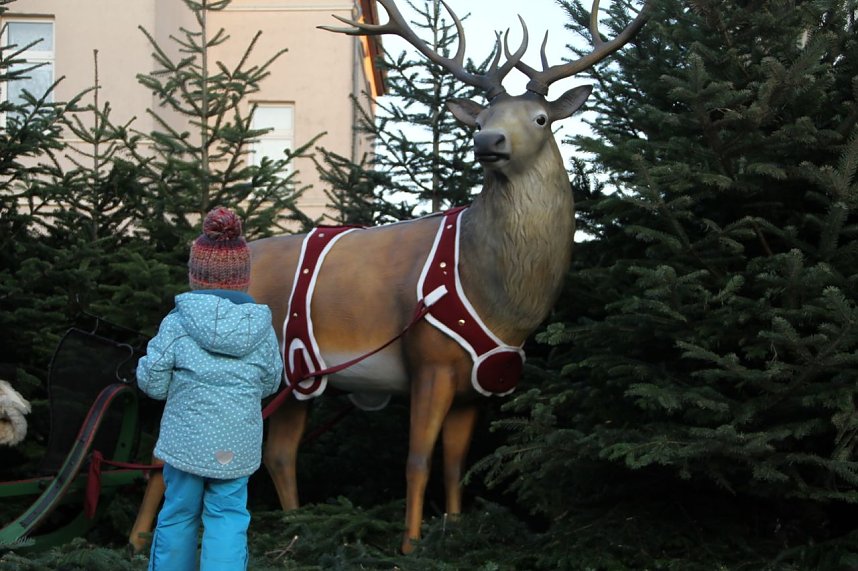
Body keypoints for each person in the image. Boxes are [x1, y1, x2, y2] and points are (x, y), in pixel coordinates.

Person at [137, 206, 283, 571]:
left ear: (195, 276)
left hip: (185, 441)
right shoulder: (261, 328)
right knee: (229, 516)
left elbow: (153, 382)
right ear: (243, 278)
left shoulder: (177, 323)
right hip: (236, 443)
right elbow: (271, 381)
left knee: (177, 514)